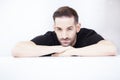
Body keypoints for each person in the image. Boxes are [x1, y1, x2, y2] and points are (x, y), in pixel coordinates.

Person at [12, 6, 117, 57]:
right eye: (59, 29)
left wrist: (72, 51)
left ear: (77, 27)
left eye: (69, 29)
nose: (64, 36)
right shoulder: (50, 37)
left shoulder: (87, 35)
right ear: (54, 28)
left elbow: (111, 48)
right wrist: (58, 48)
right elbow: (17, 50)